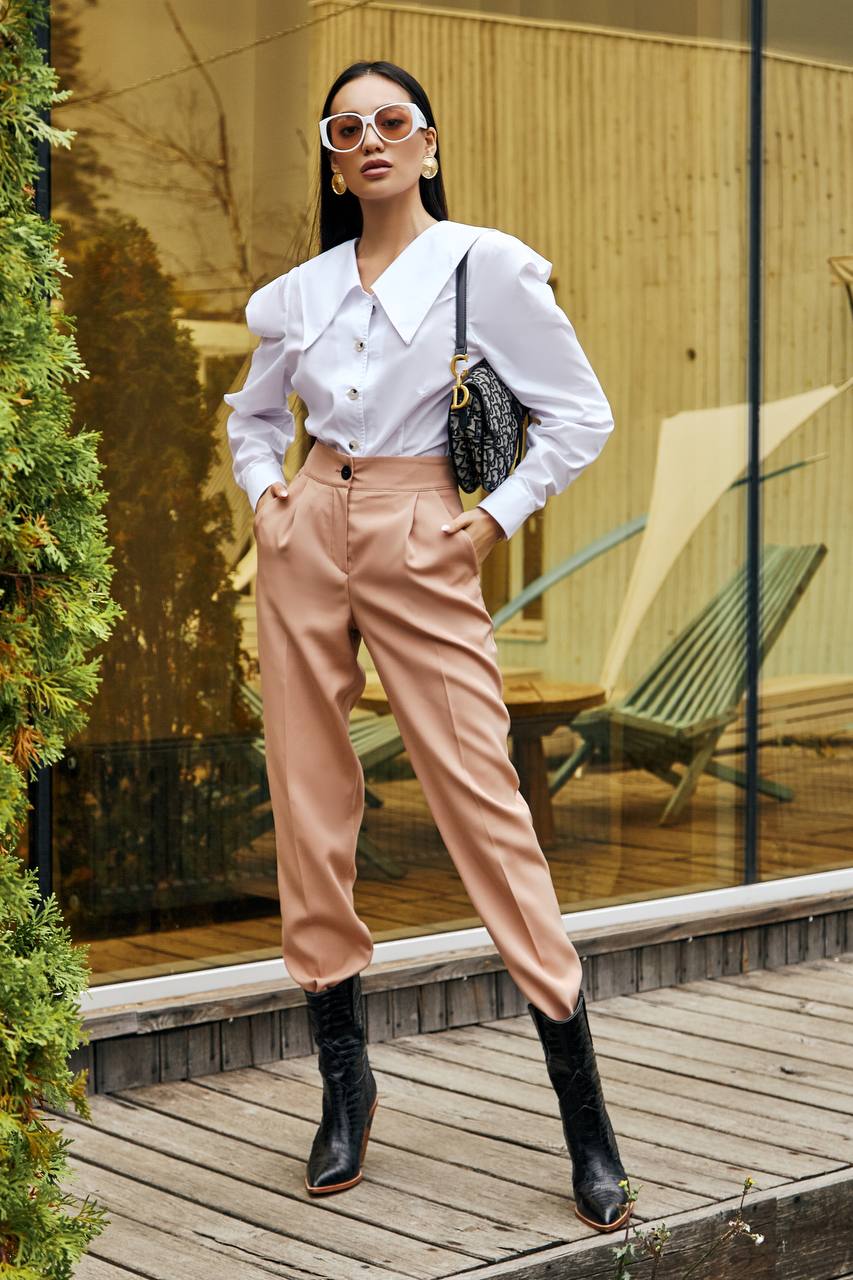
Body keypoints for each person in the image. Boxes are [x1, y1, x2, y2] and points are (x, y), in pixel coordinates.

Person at [224, 60, 632, 1232]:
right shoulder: (297, 292)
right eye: (345, 128)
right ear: (333, 155)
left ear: (429, 146)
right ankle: (344, 1087)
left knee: (484, 802)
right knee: (308, 804)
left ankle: (584, 1115)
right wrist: (268, 502)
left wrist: (489, 521)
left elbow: (581, 414)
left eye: (390, 122)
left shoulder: (483, 267)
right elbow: (254, 416)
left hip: (423, 528)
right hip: (310, 524)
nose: (368, 140)